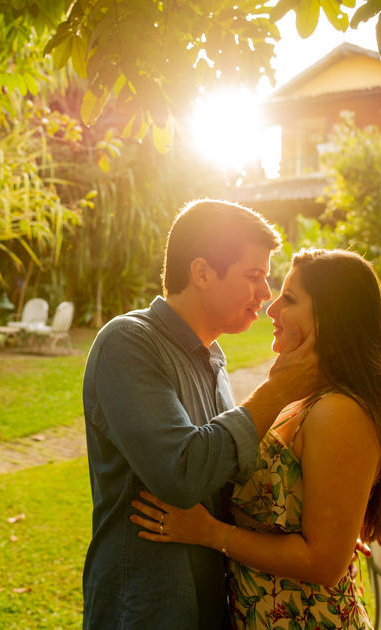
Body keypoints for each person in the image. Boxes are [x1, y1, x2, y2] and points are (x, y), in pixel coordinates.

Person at [130, 248, 381, 629]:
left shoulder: (339, 411)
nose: (271, 309)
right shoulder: (301, 398)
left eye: (289, 299)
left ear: (333, 318)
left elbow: (324, 564)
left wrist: (210, 532)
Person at [82, 200, 324, 630]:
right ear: (202, 272)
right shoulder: (128, 343)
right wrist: (280, 388)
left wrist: (317, 524)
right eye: (254, 276)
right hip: (145, 605)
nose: (266, 293)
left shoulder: (213, 358)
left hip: (210, 601)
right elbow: (183, 473)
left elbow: (226, 479)